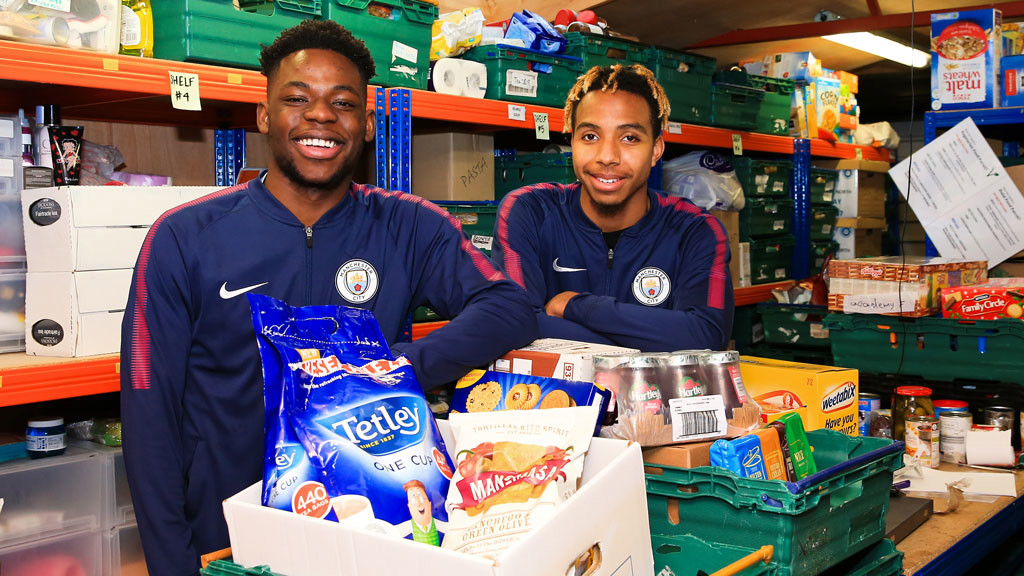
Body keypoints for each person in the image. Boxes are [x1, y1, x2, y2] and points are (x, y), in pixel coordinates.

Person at [120, 20, 537, 576]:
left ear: (366, 124)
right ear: (265, 115)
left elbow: (508, 307)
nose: (320, 115)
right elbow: (149, 414)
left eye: (341, 103)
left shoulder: (411, 226)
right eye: (297, 98)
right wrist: (173, 564)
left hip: (374, 534)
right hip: (228, 540)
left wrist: (392, 368)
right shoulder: (183, 237)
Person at [491, 64, 734, 351]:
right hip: (556, 396)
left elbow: (707, 335)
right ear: (572, 141)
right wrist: (656, 337)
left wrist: (576, 305)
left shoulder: (696, 231)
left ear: (656, 149)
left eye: (629, 138)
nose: (607, 156)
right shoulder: (528, 211)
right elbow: (515, 323)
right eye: (590, 136)